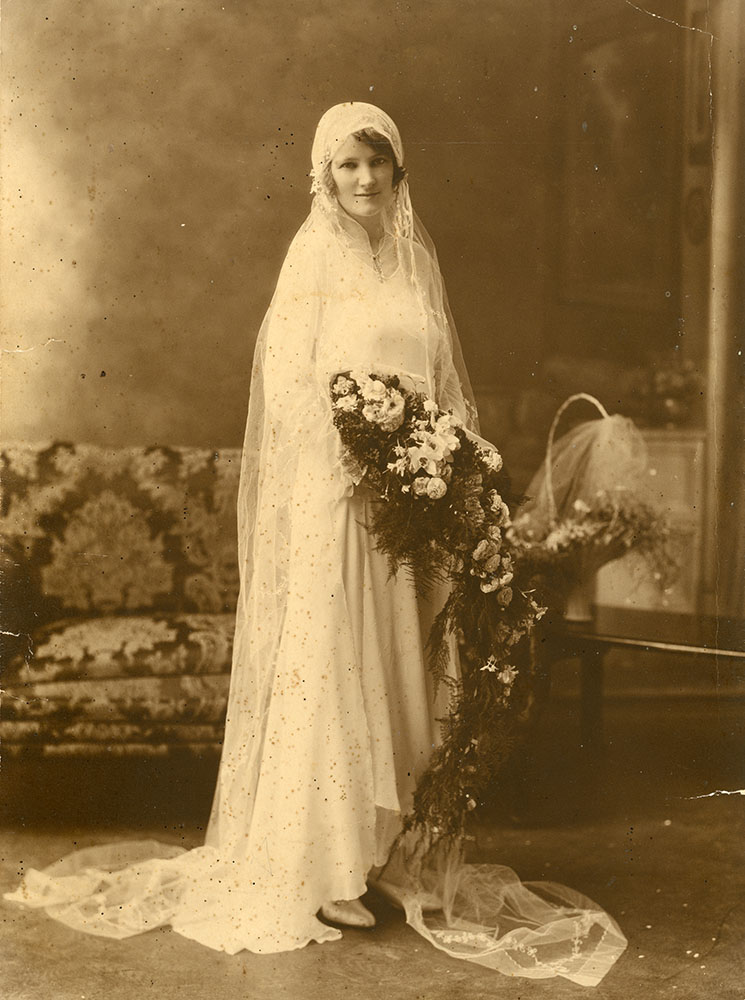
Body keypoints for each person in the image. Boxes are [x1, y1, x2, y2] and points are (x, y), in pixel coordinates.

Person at [4, 102, 626, 986]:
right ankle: (328, 868)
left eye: (377, 163)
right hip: (337, 507)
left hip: (409, 514)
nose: (364, 181)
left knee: (401, 669)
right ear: (322, 178)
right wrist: (367, 453)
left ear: (399, 172)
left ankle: (385, 854)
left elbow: (441, 389)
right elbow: (294, 399)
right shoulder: (310, 262)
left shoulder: (413, 267)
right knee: (337, 671)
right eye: (346, 167)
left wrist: (439, 467)